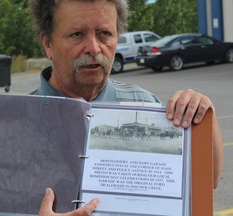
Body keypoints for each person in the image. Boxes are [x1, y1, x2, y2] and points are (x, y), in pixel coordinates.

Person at [29, 0, 223, 215]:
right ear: (48, 45)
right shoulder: (14, 123)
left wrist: (204, 113)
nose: (93, 48)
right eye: (77, 34)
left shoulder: (147, 104)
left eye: (104, 33)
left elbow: (206, 182)